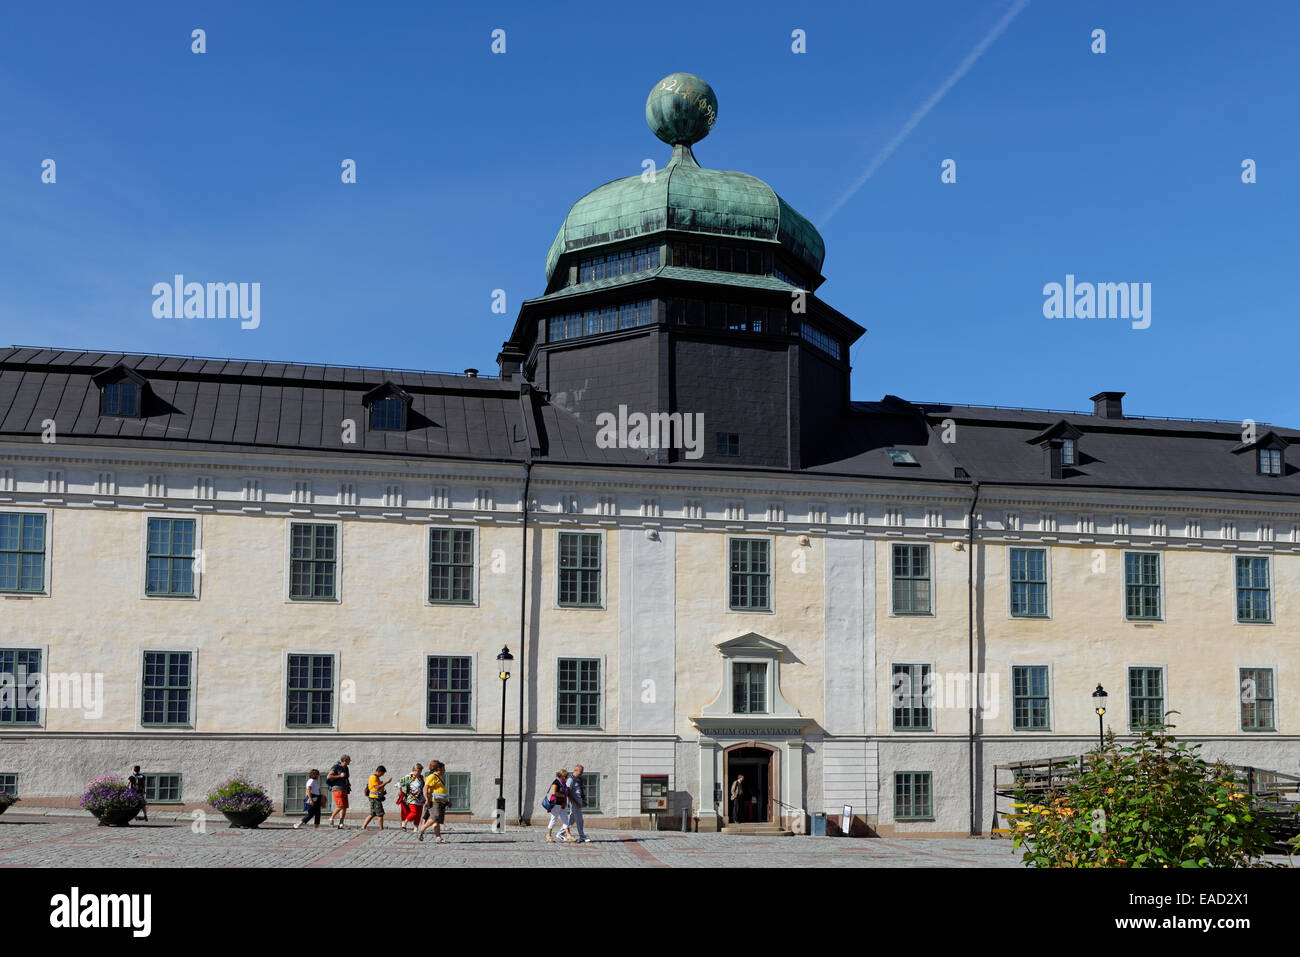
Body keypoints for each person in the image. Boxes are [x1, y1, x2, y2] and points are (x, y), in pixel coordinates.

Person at [417, 761, 450, 843]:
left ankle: (438, 838)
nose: (444, 771)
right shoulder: (432, 777)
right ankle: (421, 830)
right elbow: (425, 788)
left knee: (437, 821)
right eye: (443, 769)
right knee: (435, 817)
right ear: (438, 769)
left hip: (441, 801)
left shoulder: (438, 777)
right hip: (434, 801)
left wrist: (447, 801)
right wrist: (427, 800)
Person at [564, 765, 591, 843]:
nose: (582, 773)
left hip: (578, 802)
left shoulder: (578, 779)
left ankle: (560, 833)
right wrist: (575, 803)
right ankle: (582, 836)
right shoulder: (570, 779)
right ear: (575, 770)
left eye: (582, 771)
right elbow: (568, 793)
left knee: (571, 820)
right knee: (579, 820)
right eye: (581, 771)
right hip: (575, 803)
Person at [543, 768, 570, 843]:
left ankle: (568, 835)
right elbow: (554, 793)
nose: (566, 778)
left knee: (565, 819)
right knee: (554, 819)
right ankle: (548, 835)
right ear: (561, 776)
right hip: (556, 803)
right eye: (565, 777)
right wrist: (563, 796)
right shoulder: (556, 782)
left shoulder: (563, 783)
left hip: (562, 804)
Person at [361, 765, 390, 830]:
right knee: (380, 814)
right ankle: (381, 829)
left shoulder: (376, 777)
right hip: (375, 798)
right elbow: (376, 787)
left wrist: (382, 790)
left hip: (374, 797)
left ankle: (363, 827)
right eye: (382, 773)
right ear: (379, 772)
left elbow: (378, 787)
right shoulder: (373, 777)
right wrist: (386, 783)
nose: (382, 775)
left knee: (372, 814)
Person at [326, 754, 351, 829]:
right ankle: (331, 818)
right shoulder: (336, 767)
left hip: (344, 788)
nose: (350, 761)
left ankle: (341, 824)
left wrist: (348, 783)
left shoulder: (346, 768)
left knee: (345, 807)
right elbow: (329, 776)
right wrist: (340, 776)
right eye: (349, 760)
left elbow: (345, 777)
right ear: (345, 760)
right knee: (340, 805)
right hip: (337, 788)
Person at [397, 763, 424, 831]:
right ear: (414, 770)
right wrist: (399, 790)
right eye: (418, 771)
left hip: (420, 798)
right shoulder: (409, 777)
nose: (419, 772)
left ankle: (415, 828)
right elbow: (399, 782)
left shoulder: (421, 777)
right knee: (414, 812)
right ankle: (404, 822)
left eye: (420, 771)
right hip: (411, 797)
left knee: (418, 814)